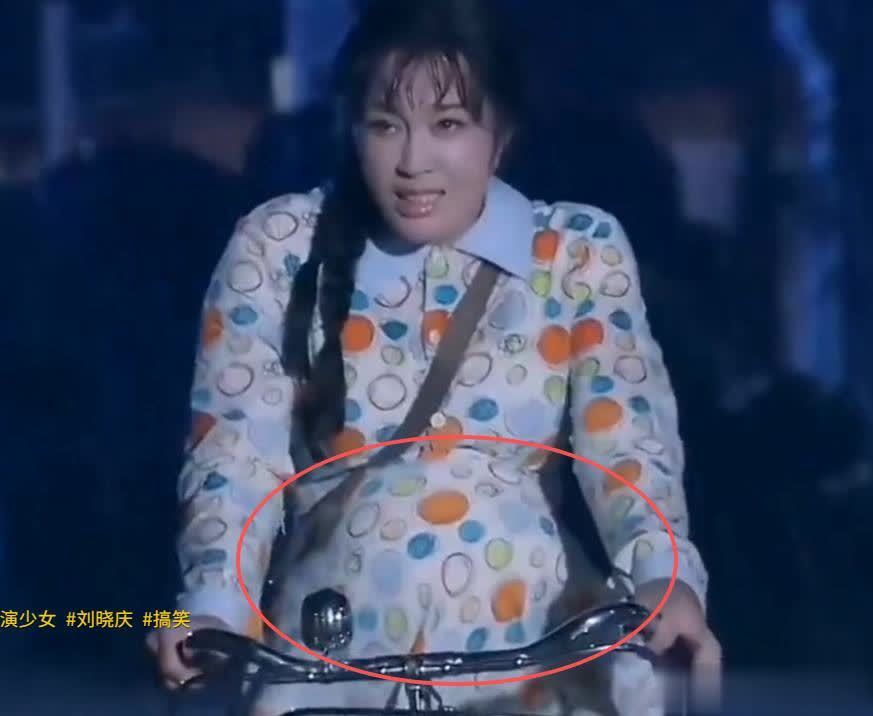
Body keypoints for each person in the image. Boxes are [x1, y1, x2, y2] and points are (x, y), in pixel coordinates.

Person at [148, 1, 721, 713]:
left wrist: (665, 581)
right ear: (351, 127)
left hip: (533, 663)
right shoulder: (280, 247)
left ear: (500, 134)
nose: (413, 163)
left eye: (447, 125)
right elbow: (234, 454)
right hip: (336, 665)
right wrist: (213, 607)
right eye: (386, 125)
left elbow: (629, 446)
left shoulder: (575, 253)